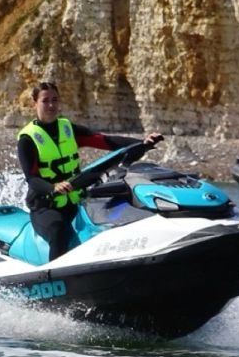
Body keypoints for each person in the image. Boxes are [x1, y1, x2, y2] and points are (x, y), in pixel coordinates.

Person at [18, 81, 162, 261]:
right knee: (58, 230)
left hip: (76, 199)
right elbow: (31, 179)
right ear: (34, 103)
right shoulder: (27, 138)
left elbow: (106, 141)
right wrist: (53, 187)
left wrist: (142, 143)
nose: (51, 105)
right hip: (45, 206)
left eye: (55, 100)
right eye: (45, 101)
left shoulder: (67, 128)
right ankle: (56, 277)